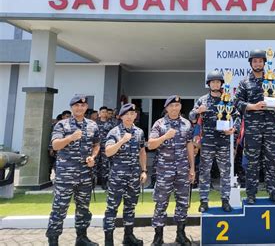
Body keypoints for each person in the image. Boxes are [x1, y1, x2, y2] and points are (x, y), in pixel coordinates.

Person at [46, 95, 100, 246]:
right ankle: (53, 240)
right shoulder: (61, 125)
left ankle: (81, 238)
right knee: (59, 208)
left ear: (86, 107)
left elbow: (96, 145)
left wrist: (93, 157)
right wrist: (70, 138)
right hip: (65, 175)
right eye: (76, 105)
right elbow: (55, 145)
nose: (79, 108)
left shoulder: (92, 125)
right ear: (71, 107)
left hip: (85, 174)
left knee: (83, 208)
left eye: (82, 106)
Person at [234, 49, 275, 204]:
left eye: (260, 61)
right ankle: (251, 194)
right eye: (254, 61)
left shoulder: (272, 81)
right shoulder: (244, 82)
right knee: (252, 162)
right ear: (251, 63)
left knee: (271, 161)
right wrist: (253, 106)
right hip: (252, 129)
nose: (257, 63)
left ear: (264, 62)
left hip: (270, 127)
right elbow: (237, 102)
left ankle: (273, 193)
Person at [189, 70, 240, 213]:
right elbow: (191, 116)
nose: (216, 84)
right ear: (209, 84)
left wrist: (233, 129)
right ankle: (204, 201)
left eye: (218, 82)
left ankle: (225, 200)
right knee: (205, 172)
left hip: (224, 142)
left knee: (225, 173)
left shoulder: (228, 99)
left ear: (222, 84)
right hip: (207, 143)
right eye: (213, 82)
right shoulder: (202, 100)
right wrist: (199, 110)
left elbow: (237, 117)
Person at [148, 95, 195, 246]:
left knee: (183, 202)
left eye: (177, 105)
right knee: (161, 202)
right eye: (171, 106)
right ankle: (158, 236)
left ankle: (180, 234)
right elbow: (151, 145)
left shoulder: (186, 123)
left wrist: (192, 168)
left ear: (180, 107)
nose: (175, 108)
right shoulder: (159, 124)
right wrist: (165, 136)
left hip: (182, 169)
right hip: (164, 169)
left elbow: (189, 145)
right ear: (166, 108)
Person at [103, 103, 147, 245]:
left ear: (135, 115)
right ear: (121, 116)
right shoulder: (114, 132)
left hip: (134, 176)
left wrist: (144, 170)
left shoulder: (139, 132)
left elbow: (142, 151)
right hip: (117, 176)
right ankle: (108, 239)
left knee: (130, 207)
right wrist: (122, 141)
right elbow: (108, 151)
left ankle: (128, 236)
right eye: (126, 114)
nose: (129, 116)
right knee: (112, 207)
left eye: (132, 114)